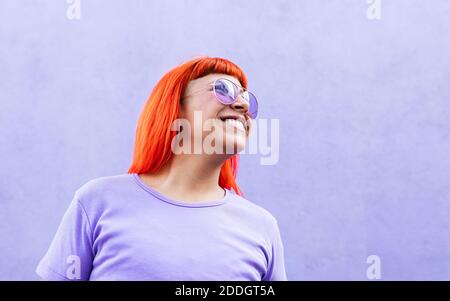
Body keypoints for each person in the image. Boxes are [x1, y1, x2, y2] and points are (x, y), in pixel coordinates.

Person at [36, 56, 287, 280]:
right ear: (174, 107)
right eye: (224, 89)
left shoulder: (261, 226)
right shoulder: (97, 202)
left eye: (246, 98)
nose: (243, 106)